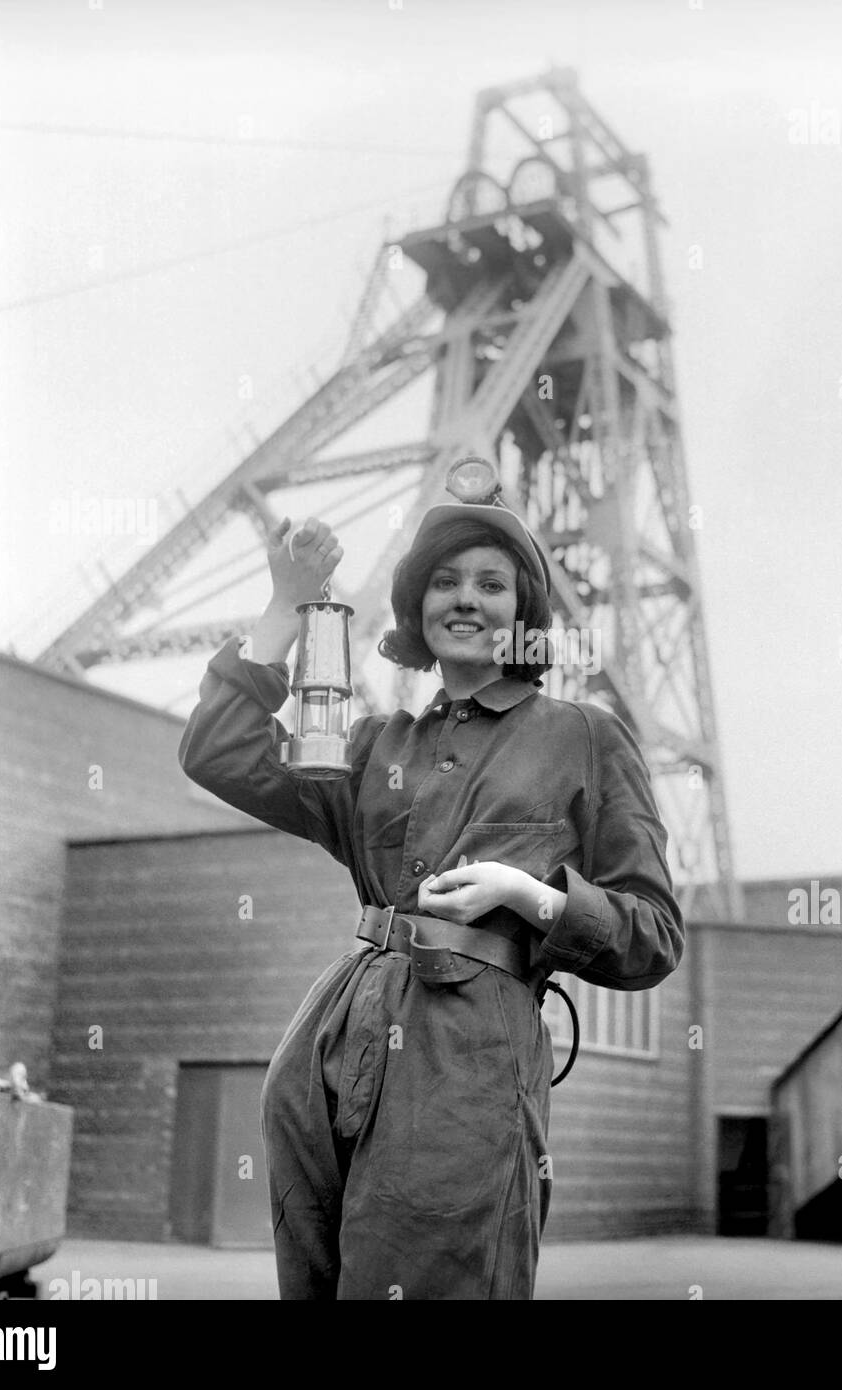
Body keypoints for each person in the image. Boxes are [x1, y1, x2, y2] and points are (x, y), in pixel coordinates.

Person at [177, 482, 685, 1300]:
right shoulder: (378, 743)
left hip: (467, 1064)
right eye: (445, 582)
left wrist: (533, 895)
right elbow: (221, 755)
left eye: (491, 583)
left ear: (523, 614)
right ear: (417, 610)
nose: (466, 600)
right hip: (331, 1039)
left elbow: (654, 934)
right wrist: (284, 605)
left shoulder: (582, 736)